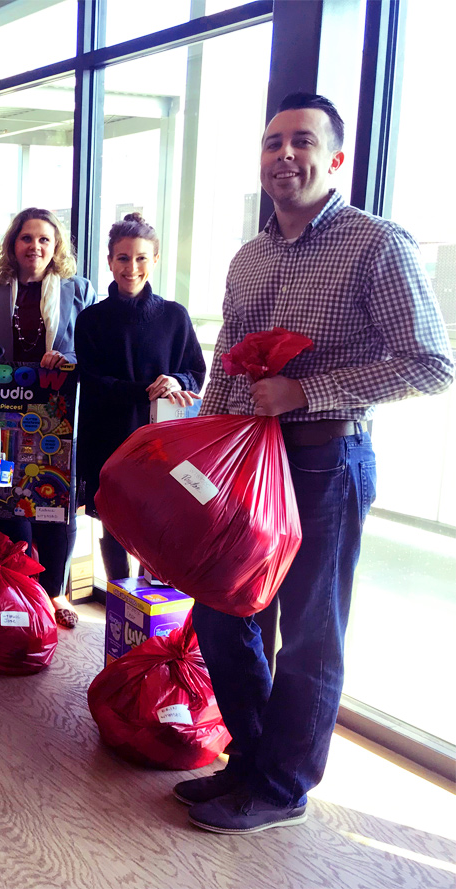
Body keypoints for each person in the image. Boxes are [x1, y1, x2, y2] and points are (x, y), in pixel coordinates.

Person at [177, 93, 453, 835]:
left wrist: (307, 388)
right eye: (271, 143)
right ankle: (254, 756)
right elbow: (226, 366)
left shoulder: (376, 244)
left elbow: (432, 363)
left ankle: (281, 784)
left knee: (307, 632)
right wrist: (200, 453)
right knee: (223, 610)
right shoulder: (248, 255)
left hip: (326, 461)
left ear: (333, 159)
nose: (282, 155)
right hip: (244, 467)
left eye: (300, 142)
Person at [0, 208, 95, 629]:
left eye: (45, 239)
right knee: (9, 500)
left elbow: (91, 351)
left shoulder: (78, 290)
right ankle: (22, 586)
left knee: (56, 503)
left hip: (55, 413)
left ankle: (57, 591)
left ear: (56, 246)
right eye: (27, 238)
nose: (36, 246)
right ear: (13, 244)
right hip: (4, 408)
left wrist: (69, 358)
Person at [73, 212, 204, 582]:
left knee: (158, 525)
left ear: (155, 260)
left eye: (141, 258)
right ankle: (118, 603)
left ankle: (153, 607)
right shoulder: (91, 320)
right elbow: (94, 381)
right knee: (113, 526)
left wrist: (175, 381)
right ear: (111, 261)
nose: (132, 268)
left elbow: (196, 371)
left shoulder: (175, 316)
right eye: (123, 258)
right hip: (108, 439)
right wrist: (146, 391)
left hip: (161, 445)